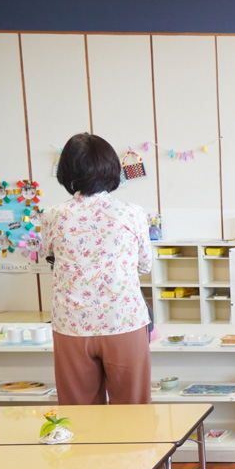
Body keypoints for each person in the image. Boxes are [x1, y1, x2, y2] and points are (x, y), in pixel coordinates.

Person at [40, 133, 152, 406]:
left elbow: (50, 257)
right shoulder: (132, 213)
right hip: (123, 320)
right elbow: (145, 265)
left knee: (79, 412)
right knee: (133, 409)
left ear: (66, 171)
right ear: (111, 169)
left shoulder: (53, 214)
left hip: (72, 324)